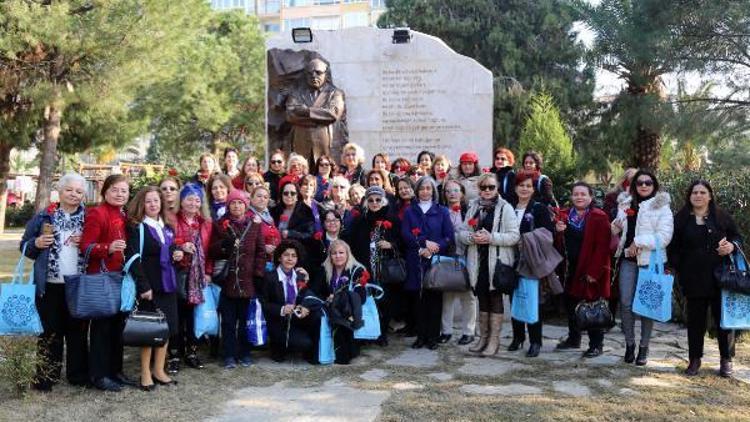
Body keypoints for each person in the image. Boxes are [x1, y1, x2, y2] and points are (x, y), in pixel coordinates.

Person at [21, 173, 89, 391]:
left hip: (78, 283)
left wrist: (86, 242)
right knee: (49, 333)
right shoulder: (44, 217)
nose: (74, 194)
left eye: (79, 191)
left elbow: (97, 247)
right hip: (49, 284)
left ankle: (77, 375)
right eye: (69, 190)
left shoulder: (89, 218)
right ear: (59, 191)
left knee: (77, 331)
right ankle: (46, 377)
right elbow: (24, 247)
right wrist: (37, 242)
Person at [668, 180, 741, 378]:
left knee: (723, 321)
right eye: (694, 192)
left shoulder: (721, 217)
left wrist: (731, 247)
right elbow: (672, 248)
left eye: (702, 192)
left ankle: (726, 360)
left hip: (720, 276)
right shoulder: (681, 219)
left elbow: (737, 237)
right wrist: (680, 266)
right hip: (693, 278)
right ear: (689, 196)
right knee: (695, 321)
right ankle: (694, 359)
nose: (698, 195)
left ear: (710, 196)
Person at [611, 170, 673, 366]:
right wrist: (615, 226)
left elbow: (664, 237)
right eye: (640, 183)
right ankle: (630, 345)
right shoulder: (626, 204)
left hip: (650, 261)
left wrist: (638, 242)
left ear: (654, 185)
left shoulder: (662, 207)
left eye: (648, 182)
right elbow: (618, 230)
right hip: (628, 260)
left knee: (647, 305)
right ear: (633, 186)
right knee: (626, 303)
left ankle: (643, 348)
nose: (644, 186)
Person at [125, 186, 182, 390]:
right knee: (149, 331)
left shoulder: (166, 226)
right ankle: (146, 373)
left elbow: (168, 248)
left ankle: (159, 370)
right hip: (149, 286)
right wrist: (143, 285)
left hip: (168, 285)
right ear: (142, 203)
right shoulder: (137, 227)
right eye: (148, 201)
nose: (153, 205)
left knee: (166, 329)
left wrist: (177, 253)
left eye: (156, 201)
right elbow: (132, 258)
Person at [79, 174, 132, 392]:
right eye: (115, 190)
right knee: (102, 329)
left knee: (118, 326)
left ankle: (115, 371)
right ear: (105, 192)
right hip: (101, 280)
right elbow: (86, 247)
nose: (120, 194)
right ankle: (99, 375)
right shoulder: (97, 213)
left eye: (124, 191)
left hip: (121, 279)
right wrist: (107, 248)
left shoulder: (124, 214)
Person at [458, 173, 520, 356]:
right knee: (481, 298)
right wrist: (472, 237)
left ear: (497, 188)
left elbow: (514, 236)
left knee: (495, 299)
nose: (487, 191)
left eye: (491, 187)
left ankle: (494, 340)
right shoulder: (474, 206)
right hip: (477, 262)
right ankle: (483, 338)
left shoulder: (505, 208)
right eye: (483, 187)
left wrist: (491, 238)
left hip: (497, 262)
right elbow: (462, 232)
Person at [209, 189, 266, 369]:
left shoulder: (254, 225)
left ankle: (244, 352)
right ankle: (228, 355)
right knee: (228, 321)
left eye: (240, 202)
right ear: (228, 205)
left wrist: (257, 273)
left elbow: (261, 252)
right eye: (233, 202)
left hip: (248, 281)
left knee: (245, 320)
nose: (236, 206)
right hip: (228, 281)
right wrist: (225, 245)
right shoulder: (220, 225)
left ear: (246, 205)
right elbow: (211, 250)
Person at [555, 182, 612, 358]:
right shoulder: (564, 216)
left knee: (592, 305)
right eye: (576, 194)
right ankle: (574, 338)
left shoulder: (598, 216)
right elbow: (558, 244)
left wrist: (594, 272)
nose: (579, 197)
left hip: (590, 270)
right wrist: (557, 231)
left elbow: (603, 247)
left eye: (583, 194)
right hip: (569, 269)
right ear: (571, 197)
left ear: (590, 197)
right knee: (571, 304)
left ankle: (596, 344)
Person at [402, 176, 455, 350]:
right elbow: (406, 234)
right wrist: (422, 245)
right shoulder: (410, 211)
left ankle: (433, 336)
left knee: (434, 299)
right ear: (417, 191)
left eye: (428, 188)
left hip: (435, 261)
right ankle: (421, 336)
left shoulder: (442, 211)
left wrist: (434, 248)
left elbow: (448, 237)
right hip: (415, 259)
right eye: (422, 188)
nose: (425, 191)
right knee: (418, 299)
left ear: (433, 191)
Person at [348, 186, 402, 347]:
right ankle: (367, 333)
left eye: (378, 199)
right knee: (366, 301)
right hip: (365, 268)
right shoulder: (360, 220)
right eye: (370, 200)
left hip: (384, 269)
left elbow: (402, 242)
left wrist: (391, 245)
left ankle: (382, 334)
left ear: (383, 200)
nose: (374, 203)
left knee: (384, 302)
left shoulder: (392, 219)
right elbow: (353, 243)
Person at [509, 171, 555, 357]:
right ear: (515, 188)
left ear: (533, 188)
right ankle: (518, 337)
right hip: (510, 260)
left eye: (528, 186)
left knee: (532, 300)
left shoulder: (539, 208)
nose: (524, 189)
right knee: (515, 299)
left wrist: (526, 239)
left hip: (531, 261)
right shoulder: (508, 207)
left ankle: (535, 341)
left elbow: (547, 234)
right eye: (521, 185)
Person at [170, 183, 213, 374]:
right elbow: (167, 243)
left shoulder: (206, 223)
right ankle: (174, 354)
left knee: (193, 316)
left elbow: (210, 250)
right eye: (189, 198)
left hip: (197, 277)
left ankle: (192, 352)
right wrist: (180, 247)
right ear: (182, 200)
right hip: (176, 274)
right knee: (177, 316)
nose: (194, 203)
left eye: (197, 199)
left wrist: (208, 272)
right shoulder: (172, 220)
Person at [260, 240, 320, 363]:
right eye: (286, 255)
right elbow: (264, 304)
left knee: (316, 315)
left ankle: (314, 353)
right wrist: (282, 309)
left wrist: (305, 307)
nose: (290, 259)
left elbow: (307, 296)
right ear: (279, 257)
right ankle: (280, 347)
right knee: (302, 343)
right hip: (279, 321)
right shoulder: (269, 277)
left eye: (294, 256)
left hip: (296, 318)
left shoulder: (300, 275)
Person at [310, 240, 369, 364]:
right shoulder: (324, 269)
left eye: (341, 253)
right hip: (327, 306)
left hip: (348, 310)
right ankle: (321, 353)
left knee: (340, 316)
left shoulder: (357, 270)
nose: (338, 256)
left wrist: (340, 298)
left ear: (347, 254)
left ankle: (343, 354)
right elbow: (315, 291)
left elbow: (361, 296)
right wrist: (327, 298)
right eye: (334, 253)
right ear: (330, 256)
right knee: (317, 316)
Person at [284, 58, 345, 164]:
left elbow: (333, 114)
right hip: (301, 142)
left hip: (325, 144)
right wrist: (319, 120)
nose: (314, 76)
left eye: (318, 72)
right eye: (310, 73)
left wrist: (307, 111)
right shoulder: (296, 93)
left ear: (326, 74)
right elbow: (290, 115)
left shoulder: (335, 93)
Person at [439, 179, 476, 346]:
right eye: (448, 191)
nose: (452, 194)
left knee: (467, 295)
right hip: (448, 256)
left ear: (462, 193)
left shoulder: (470, 210)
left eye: (455, 190)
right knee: (447, 294)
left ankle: (468, 331)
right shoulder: (441, 211)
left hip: (467, 256)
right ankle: (446, 331)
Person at [272, 178, 314, 247]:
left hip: (297, 249)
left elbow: (309, 235)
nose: (289, 195)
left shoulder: (307, 211)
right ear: (281, 195)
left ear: (297, 196)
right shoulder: (274, 210)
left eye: (292, 193)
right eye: (285, 193)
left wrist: (290, 234)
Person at [247, 185, 281, 269]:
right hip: (255, 263)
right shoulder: (247, 217)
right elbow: (245, 241)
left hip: (271, 262)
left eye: (265, 197)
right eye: (259, 196)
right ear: (251, 198)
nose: (262, 199)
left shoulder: (269, 217)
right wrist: (263, 247)